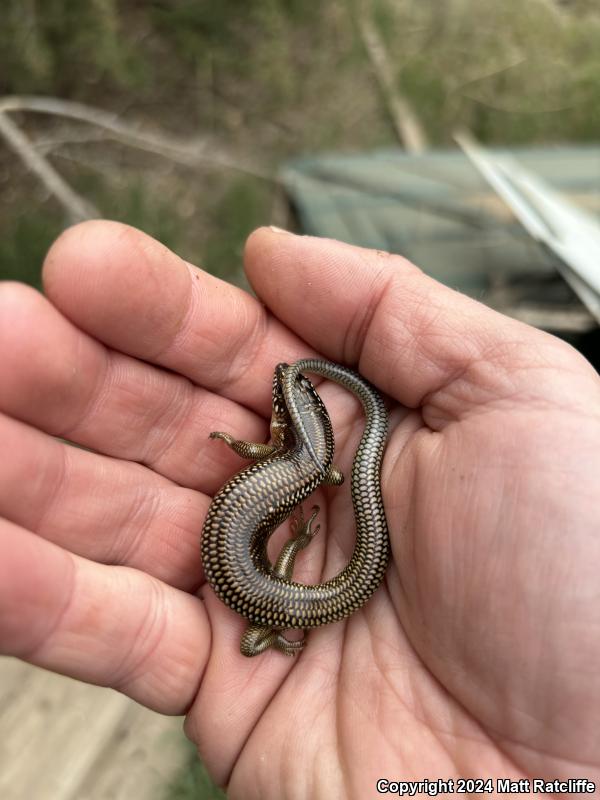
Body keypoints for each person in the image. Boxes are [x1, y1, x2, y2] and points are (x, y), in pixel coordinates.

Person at [0, 222, 598, 797]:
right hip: (276, 586)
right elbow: (287, 526)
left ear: (288, 430)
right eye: (297, 395)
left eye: (298, 395)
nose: (289, 389)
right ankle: (278, 632)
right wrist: (283, 606)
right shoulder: (316, 469)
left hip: (266, 581)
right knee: (255, 635)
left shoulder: (290, 462)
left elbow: (260, 457)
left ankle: (279, 630)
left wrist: (290, 563)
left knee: (258, 627)